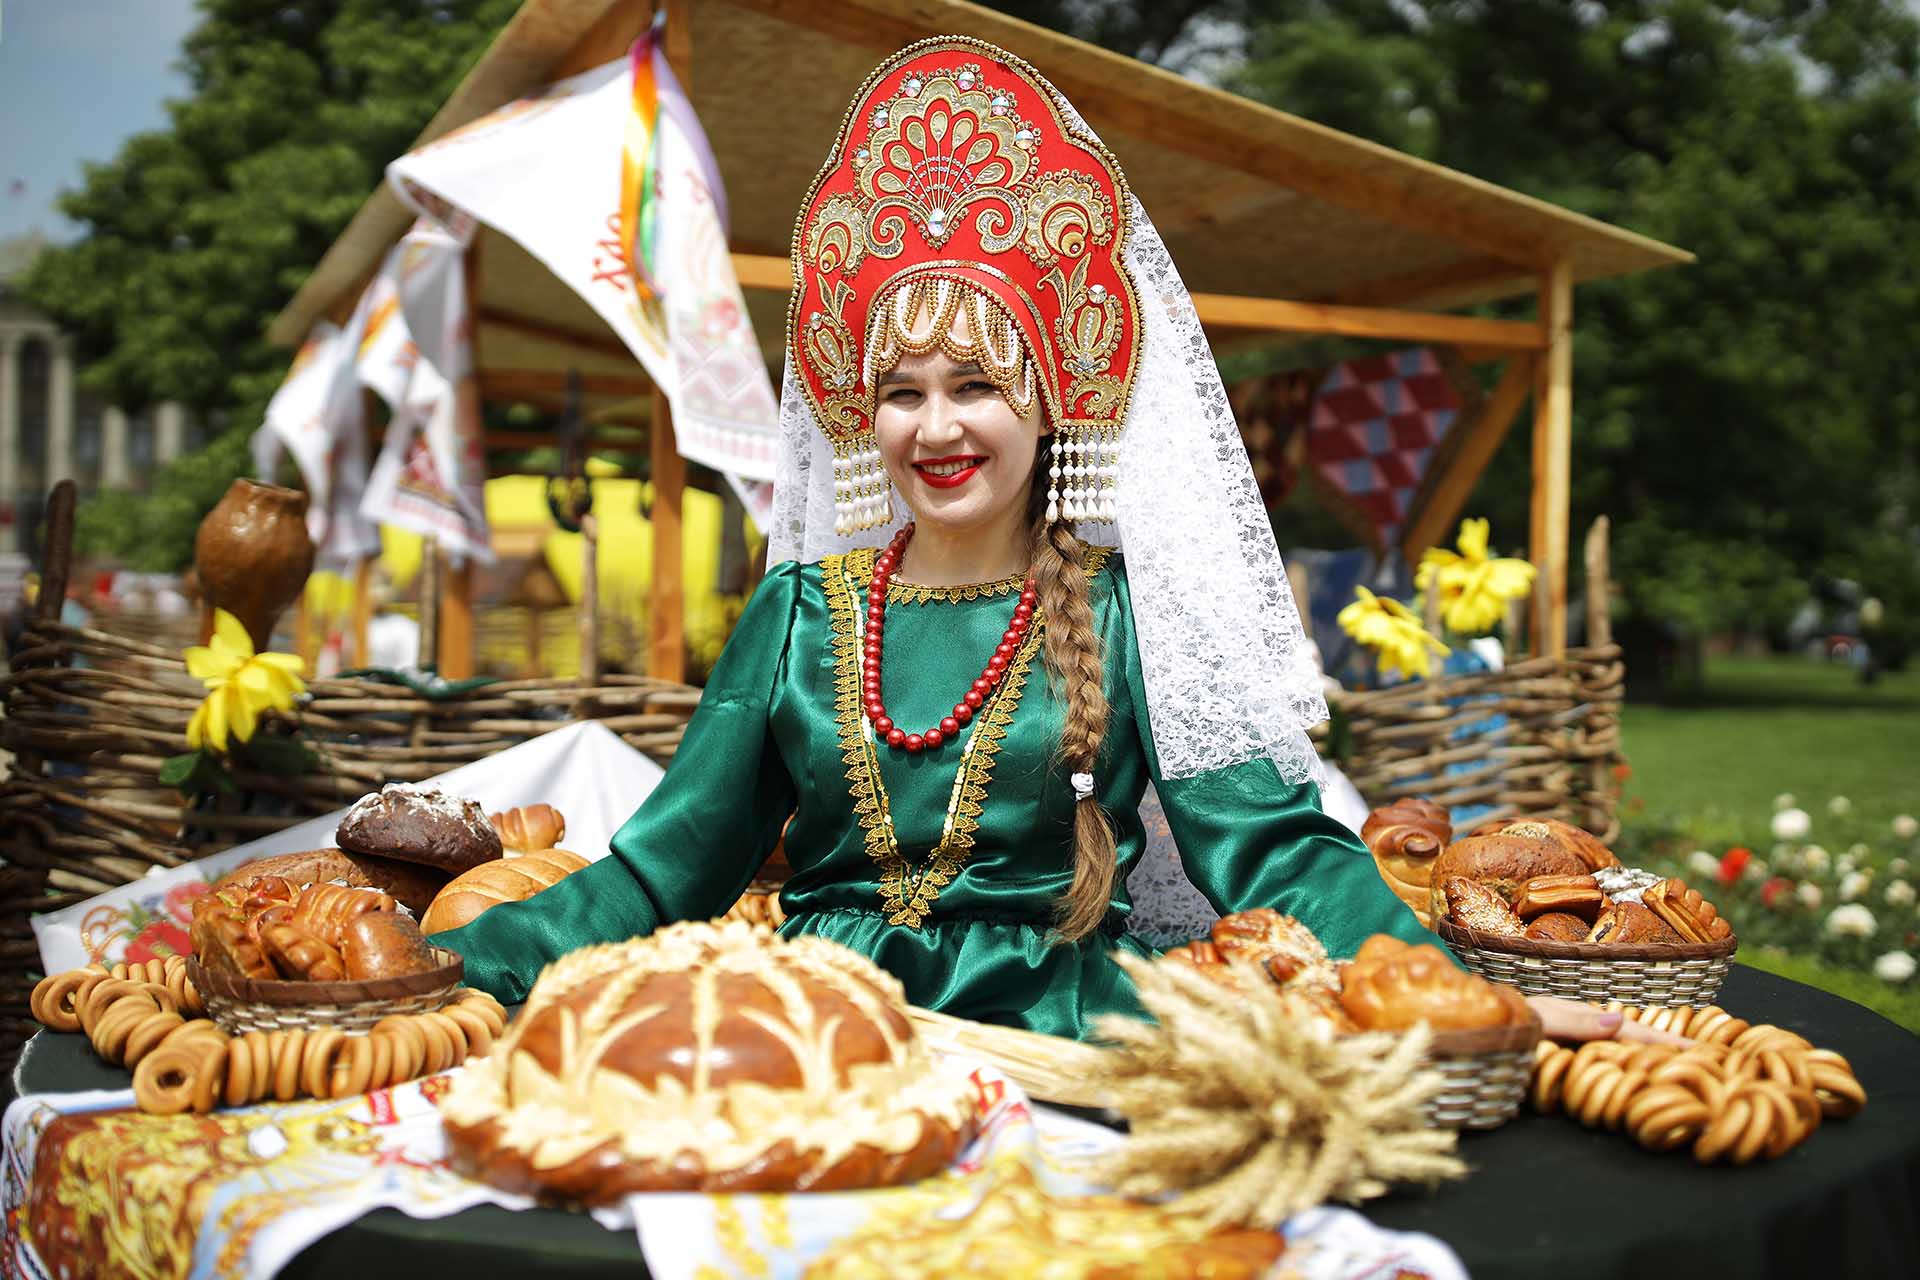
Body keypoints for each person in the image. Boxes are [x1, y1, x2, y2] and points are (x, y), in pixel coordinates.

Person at [433, 37, 1439, 1037]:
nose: (936, 428)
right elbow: (663, 869)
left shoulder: (1133, 615)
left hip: (1062, 1038)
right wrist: (445, 964)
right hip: (824, 1034)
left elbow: (1276, 850)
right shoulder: (799, 615)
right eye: (902, 393)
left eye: (976, 386)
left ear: (1051, 401)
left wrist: (1450, 985)